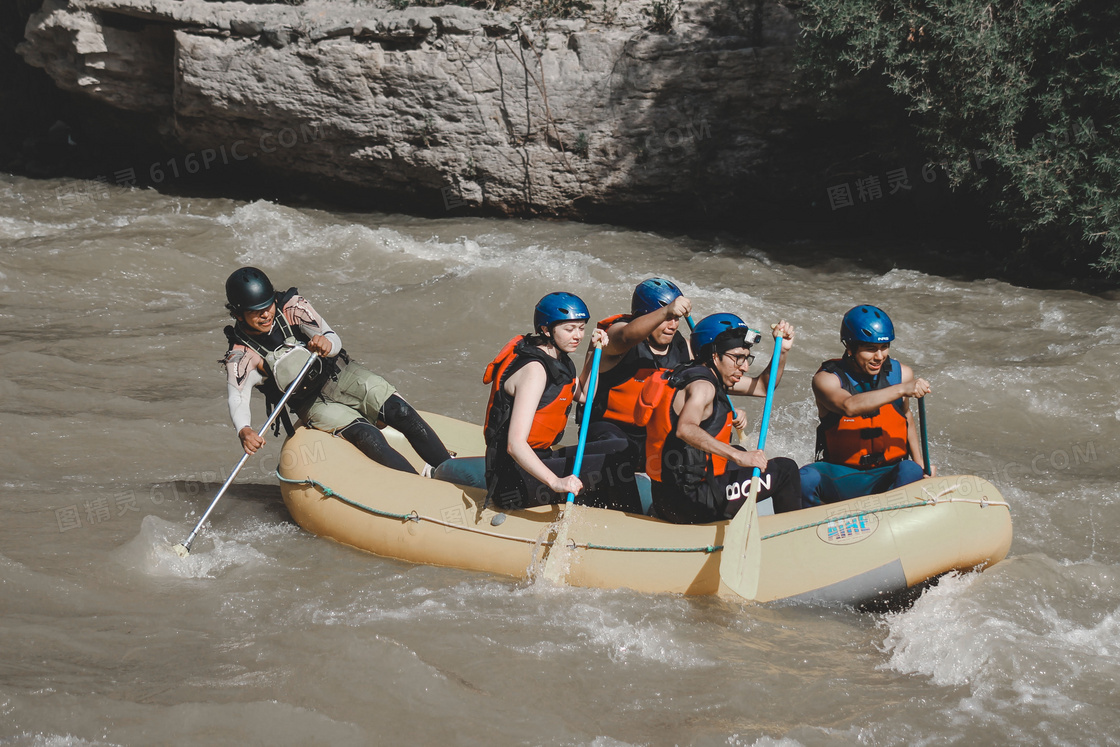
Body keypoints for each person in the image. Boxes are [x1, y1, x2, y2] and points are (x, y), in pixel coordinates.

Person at [221, 266, 451, 475]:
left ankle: (447, 468)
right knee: (368, 436)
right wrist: (245, 430)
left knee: (400, 411)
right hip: (313, 404)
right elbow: (238, 398)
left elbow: (332, 336)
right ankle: (416, 485)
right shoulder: (241, 355)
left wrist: (327, 345)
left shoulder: (293, 307)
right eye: (255, 311)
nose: (265, 314)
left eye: (268, 305)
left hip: (342, 373)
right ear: (239, 315)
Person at [638, 313, 802, 524]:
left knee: (742, 454)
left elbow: (763, 387)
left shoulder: (687, 374)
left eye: (747, 357)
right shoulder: (703, 387)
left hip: (665, 498)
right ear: (715, 355)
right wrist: (737, 456)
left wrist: (783, 350)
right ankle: (791, 538)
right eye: (738, 358)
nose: (744, 367)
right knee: (785, 470)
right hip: (694, 505)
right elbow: (685, 429)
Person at [482, 292, 631, 511]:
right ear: (546, 329)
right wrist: (556, 482)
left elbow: (583, 394)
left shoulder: (559, 359)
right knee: (613, 464)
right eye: (569, 329)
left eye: (581, 328)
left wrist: (594, 350)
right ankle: (627, 521)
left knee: (620, 447)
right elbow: (515, 445)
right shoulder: (535, 371)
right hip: (512, 481)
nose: (578, 336)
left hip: (543, 457)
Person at [798, 305, 932, 507]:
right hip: (844, 476)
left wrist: (922, 465)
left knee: (911, 469)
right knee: (803, 478)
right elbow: (849, 406)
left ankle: (894, 517)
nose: (879, 356)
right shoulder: (826, 379)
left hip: (887, 473)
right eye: (870, 349)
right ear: (850, 348)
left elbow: (906, 418)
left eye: (884, 347)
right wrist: (902, 389)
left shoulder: (902, 374)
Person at [587, 278, 693, 465]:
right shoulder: (615, 334)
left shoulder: (683, 346)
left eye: (676, 319)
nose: (673, 325)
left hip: (651, 434)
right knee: (620, 448)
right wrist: (666, 310)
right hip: (609, 430)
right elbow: (626, 337)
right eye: (667, 318)